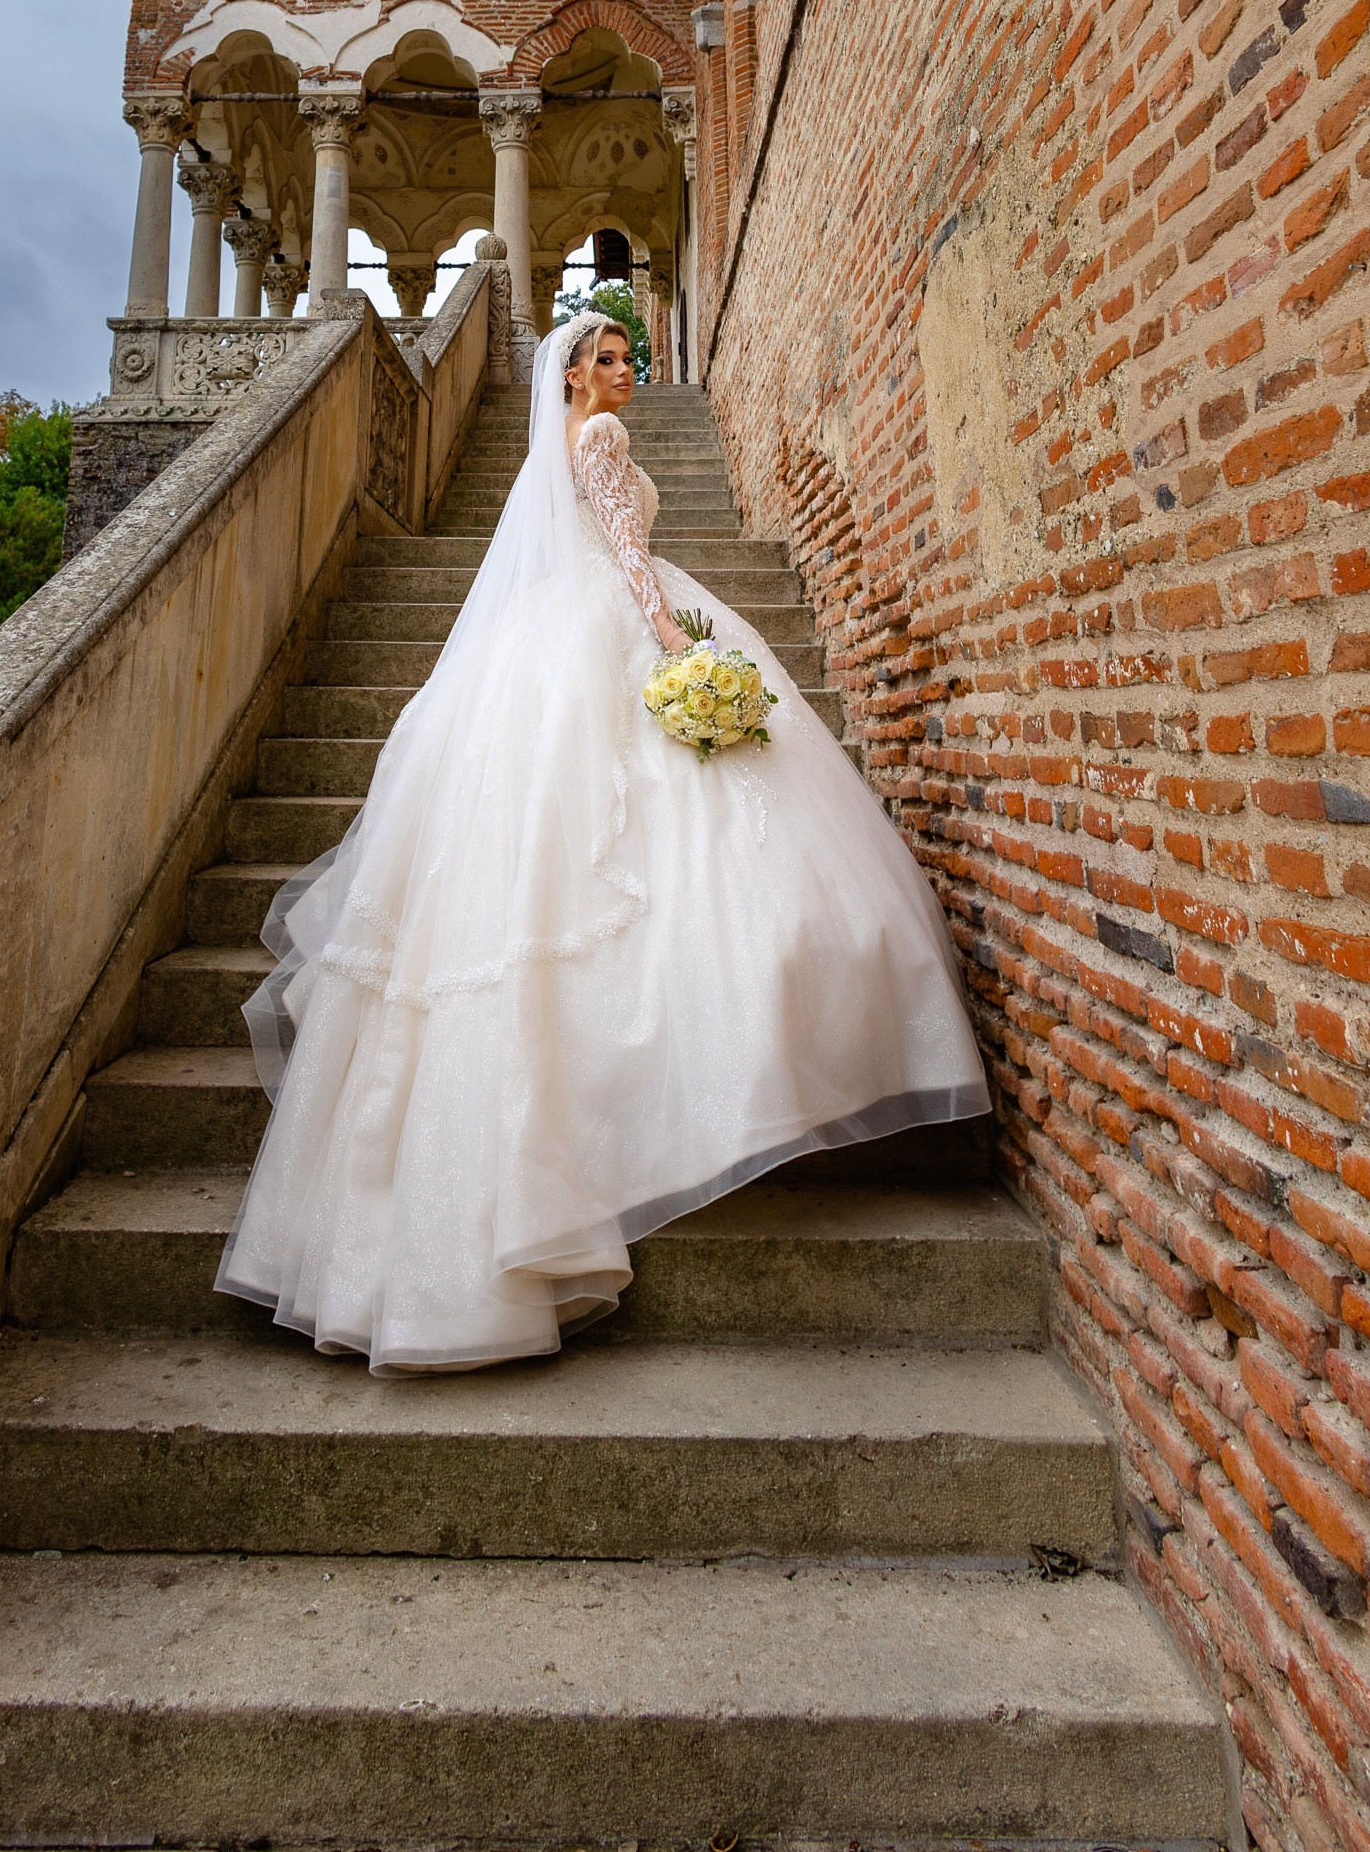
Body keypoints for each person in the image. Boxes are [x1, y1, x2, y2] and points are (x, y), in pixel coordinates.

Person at [216, 306, 988, 1372]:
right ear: (574, 374)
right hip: (622, 619)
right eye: (610, 359)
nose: (628, 372)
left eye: (629, 359)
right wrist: (671, 642)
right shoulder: (603, 439)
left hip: (550, 637)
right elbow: (628, 550)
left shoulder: (556, 449)